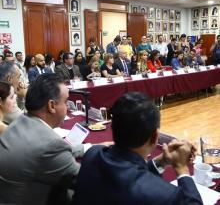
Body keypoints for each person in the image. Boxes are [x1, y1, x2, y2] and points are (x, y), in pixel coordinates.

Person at [73, 92, 203, 205]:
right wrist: (181, 167)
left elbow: (128, 174)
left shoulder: (92, 154)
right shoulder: (163, 194)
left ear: (111, 126)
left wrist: (162, 161)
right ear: (155, 136)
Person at [0, 73, 112, 205]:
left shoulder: (18, 123)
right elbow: (86, 181)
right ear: (51, 106)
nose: (66, 107)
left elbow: (43, 153)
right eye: (65, 102)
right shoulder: (50, 144)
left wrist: (89, 147)